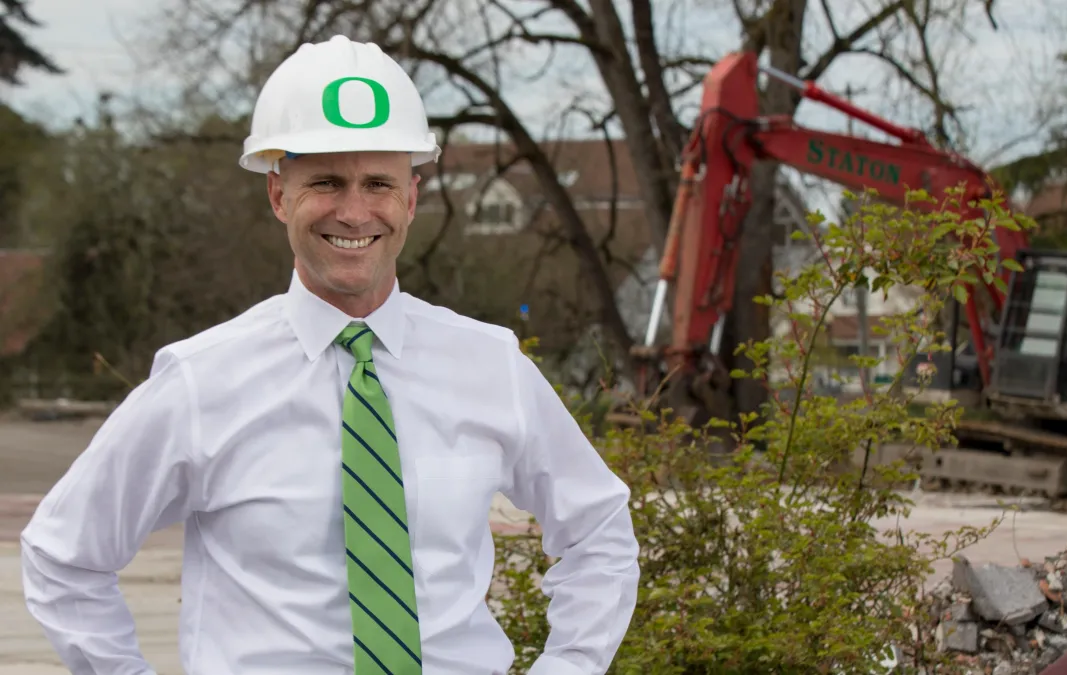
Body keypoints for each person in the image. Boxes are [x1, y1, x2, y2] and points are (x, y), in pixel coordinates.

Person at [20, 35, 640, 675]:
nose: (354, 210)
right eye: (325, 181)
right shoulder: (201, 382)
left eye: (378, 182)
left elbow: (599, 530)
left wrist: (568, 665)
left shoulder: (491, 364)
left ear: (412, 197)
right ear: (278, 195)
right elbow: (64, 557)